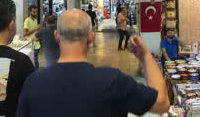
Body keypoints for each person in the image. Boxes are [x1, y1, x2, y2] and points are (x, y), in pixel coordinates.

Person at [16, 9, 169, 117]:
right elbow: (162, 104)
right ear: (92, 36)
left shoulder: (34, 82)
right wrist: (145, 56)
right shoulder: (113, 80)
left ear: (56, 35)